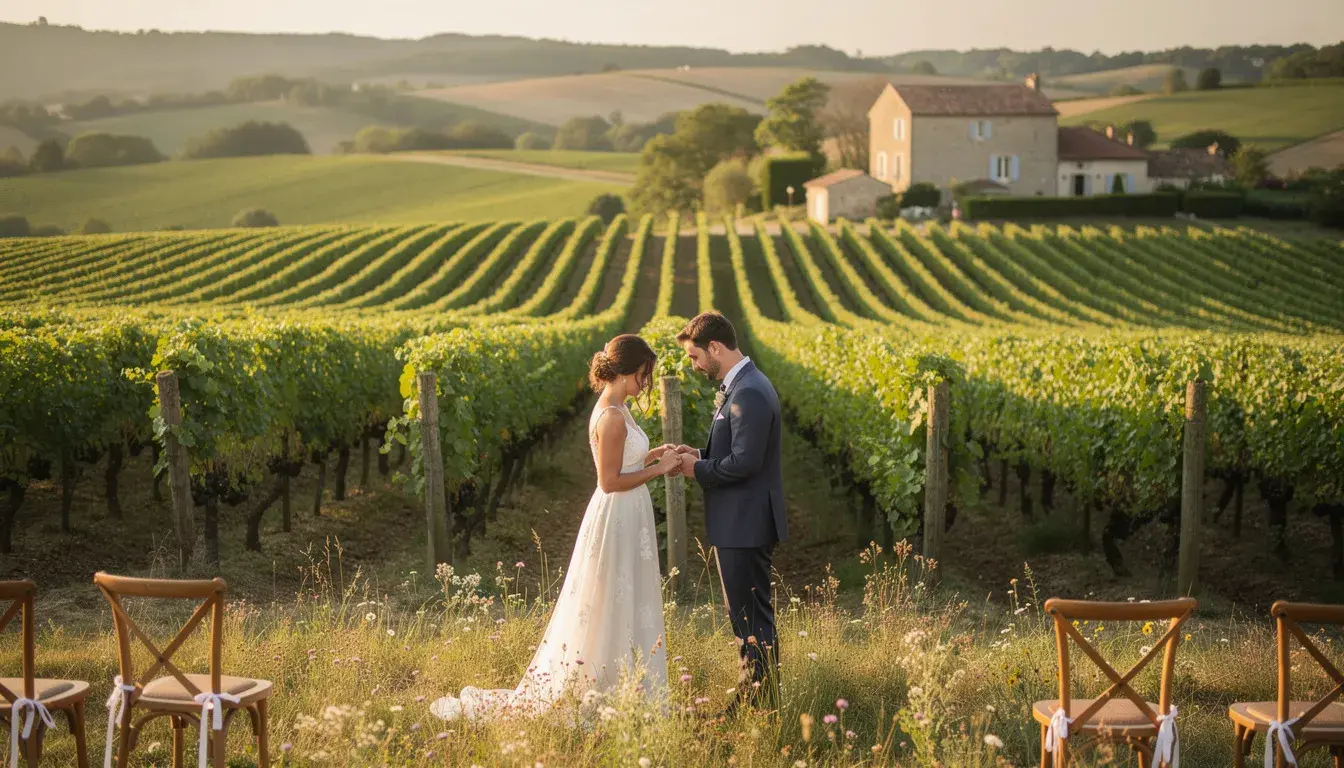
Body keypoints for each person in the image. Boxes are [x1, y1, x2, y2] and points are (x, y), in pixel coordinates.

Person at [431, 334, 681, 721]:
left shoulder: (618, 408)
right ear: (627, 372)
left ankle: (625, 685)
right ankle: (606, 687)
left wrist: (653, 455)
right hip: (618, 511)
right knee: (611, 598)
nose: (645, 383)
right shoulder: (612, 415)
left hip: (629, 512)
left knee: (623, 595)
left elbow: (625, 462)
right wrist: (658, 470)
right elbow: (609, 481)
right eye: (643, 375)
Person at [671, 312, 786, 713]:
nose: (695, 365)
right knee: (747, 618)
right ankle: (756, 700)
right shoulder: (744, 383)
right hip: (742, 521)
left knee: (751, 620)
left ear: (715, 348)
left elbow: (745, 463)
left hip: (745, 524)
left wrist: (696, 469)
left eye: (695, 356)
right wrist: (698, 454)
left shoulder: (749, 390)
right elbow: (736, 451)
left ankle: (757, 706)